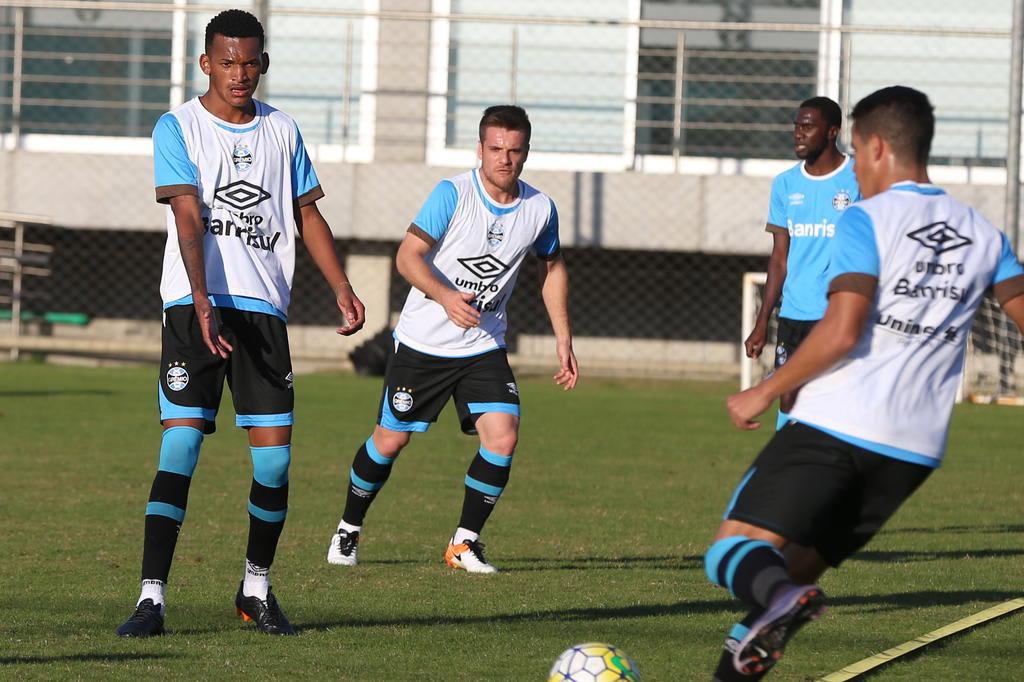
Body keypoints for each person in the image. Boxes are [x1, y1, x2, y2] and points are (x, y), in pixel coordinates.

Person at [707, 85, 1024, 680]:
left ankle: (777, 599)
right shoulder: (984, 234)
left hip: (838, 424)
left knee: (731, 551)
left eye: (856, 149)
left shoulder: (866, 219)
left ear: (876, 147)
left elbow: (843, 330)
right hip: (914, 452)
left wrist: (765, 389)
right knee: (787, 584)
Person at [116, 9, 365, 637]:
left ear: (264, 64)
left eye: (250, 62)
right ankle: (151, 599)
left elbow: (307, 214)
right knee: (181, 444)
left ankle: (255, 589)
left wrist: (342, 286)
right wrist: (200, 299)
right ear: (206, 63)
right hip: (193, 306)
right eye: (227, 61)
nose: (239, 73)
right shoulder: (178, 127)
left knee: (275, 464)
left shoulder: (283, 131)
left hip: (262, 315)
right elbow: (189, 218)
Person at [325, 105, 578, 574]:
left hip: (482, 346)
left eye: (514, 151)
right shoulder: (452, 194)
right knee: (390, 440)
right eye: (496, 149)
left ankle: (463, 544)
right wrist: (445, 296)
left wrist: (563, 338)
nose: (504, 159)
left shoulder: (539, 208)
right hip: (423, 344)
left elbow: (553, 266)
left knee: (502, 437)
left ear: (525, 153)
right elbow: (408, 257)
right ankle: (348, 528)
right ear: (480, 149)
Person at [744, 97, 860, 429]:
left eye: (807, 126)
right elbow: (779, 258)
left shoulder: (859, 178)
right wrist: (762, 320)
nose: (798, 133)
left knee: (835, 399)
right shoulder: (785, 184)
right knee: (790, 395)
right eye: (796, 126)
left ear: (831, 132)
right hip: (795, 313)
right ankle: (790, 465)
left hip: (839, 315)